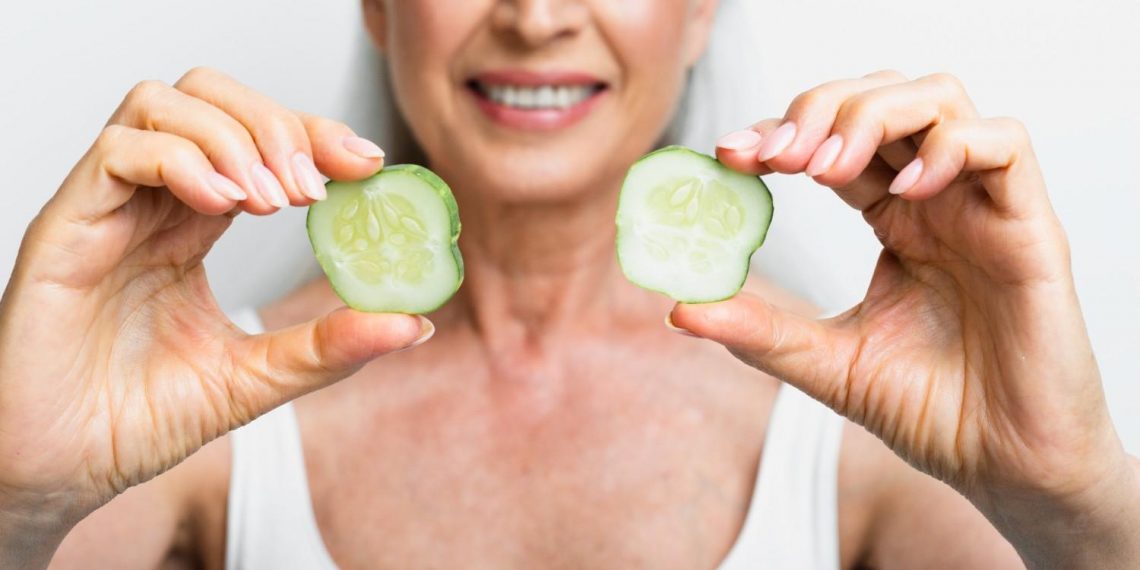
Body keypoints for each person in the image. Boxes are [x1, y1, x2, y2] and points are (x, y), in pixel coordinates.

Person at [1, 0, 1137, 568]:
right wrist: (17, 502)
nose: (536, 17)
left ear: (699, 10)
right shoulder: (194, 413)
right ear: (377, 5)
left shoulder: (876, 443)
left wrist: (1075, 500)